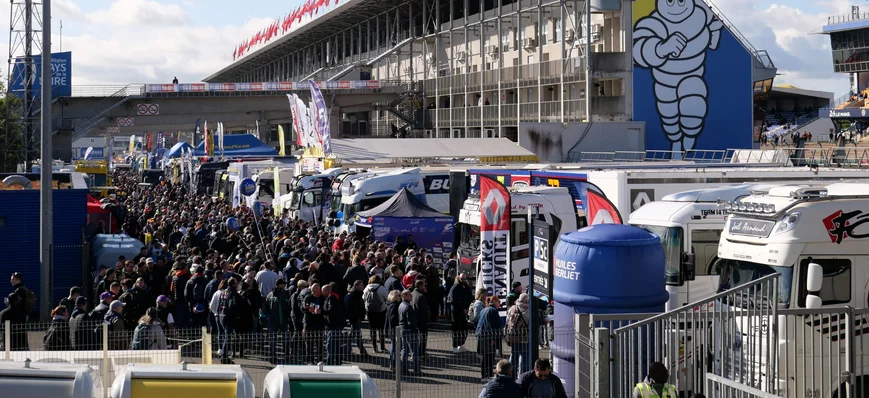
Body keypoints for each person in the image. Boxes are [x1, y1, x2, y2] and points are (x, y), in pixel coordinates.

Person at [476, 296, 503, 381]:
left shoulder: (484, 309)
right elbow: (494, 325)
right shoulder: (493, 311)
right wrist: (495, 337)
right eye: (498, 301)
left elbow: (476, 321)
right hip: (488, 335)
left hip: (481, 334)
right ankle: (488, 375)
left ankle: (484, 375)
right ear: (494, 301)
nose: (500, 303)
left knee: (485, 355)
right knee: (490, 356)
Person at [506, 293, 531, 376]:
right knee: (524, 356)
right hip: (524, 336)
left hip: (513, 336)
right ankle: (522, 375)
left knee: (513, 355)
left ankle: (511, 374)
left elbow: (507, 320)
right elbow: (529, 322)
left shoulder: (512, 308)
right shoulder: (527, 310)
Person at [448, 273, 473, 353]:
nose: (464, 280)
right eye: (462, 279)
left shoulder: (466, 287)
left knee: (464, 329)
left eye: (465, 279)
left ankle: (461, 344)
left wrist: (467, 307)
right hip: (456, 312)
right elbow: (452, 300)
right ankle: (455, 346)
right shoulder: (454, 288)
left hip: (464, 311)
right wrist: (462, 308)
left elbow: (469, 297)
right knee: (456, 329)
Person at [363, 275, 388, 353]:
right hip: (381, 310)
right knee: (381, 329)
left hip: (370, 311)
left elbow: (363, 298)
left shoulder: (366, 288)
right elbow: (387, 297)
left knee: (372, 329)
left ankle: (374, 347)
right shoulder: (381, 288)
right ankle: (382, 347)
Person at [322, 283, 346, 365]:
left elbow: (332, 311)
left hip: (332, 325)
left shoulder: (331, 298)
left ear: (328, 290)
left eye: (323, 291)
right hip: (337, 324)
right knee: (336, 346)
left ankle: (330, 363)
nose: (322, 293)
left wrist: (322, 311)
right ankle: (338, 362)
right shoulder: (336, 297)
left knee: (331, 347)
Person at [398, 289, 420, 374]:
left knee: (404, 350)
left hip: (402, 329)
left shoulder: (401, 305)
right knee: (414, 351)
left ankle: (404, 369)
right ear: (404, 296)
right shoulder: (408, 307)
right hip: (409, 330)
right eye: (409, 295)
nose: (411, 296)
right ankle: (416, 370)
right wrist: (414, 330)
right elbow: (411, 321)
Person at [345, 280, 368, 356]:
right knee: (356, 335)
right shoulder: (351, 296)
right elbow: (349, 307)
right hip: (354, 317)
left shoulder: (357, 295)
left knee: (354, 334)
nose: (362, 287)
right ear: (356, 286)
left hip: (357, 317)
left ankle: (349, 350)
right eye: (361, 285)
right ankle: (362, 351)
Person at [410, 279, 429, 359]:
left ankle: (415, 352)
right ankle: (421, 354)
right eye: (424, 285)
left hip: (414, 319)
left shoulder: (412, 294)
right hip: (421, 320)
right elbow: (424, 310)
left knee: (415, 337)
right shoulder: (421, 296)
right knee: (422, 337)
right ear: (420, 286)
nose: (425, 287)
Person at [384, 290, 402, 370]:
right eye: (399, 295)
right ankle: (393, 364)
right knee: (395, 348)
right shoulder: (395, 306)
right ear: (395, 297)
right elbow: (392, 319)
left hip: (391, 329)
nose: (400, 297)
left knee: (394, 347)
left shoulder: (389, 305)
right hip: (395, 330)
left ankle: (392, 363)